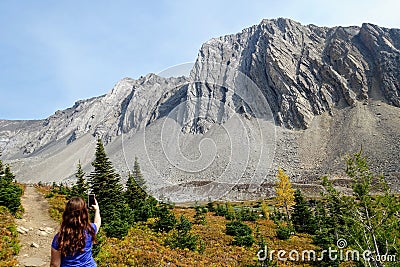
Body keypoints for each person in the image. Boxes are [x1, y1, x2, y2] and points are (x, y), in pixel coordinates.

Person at [50, 196, 101, 267]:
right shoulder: (90, 229)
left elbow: (55, 264)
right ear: (84, 214)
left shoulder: (60, 237)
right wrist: (97, 210)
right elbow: (98, 223)